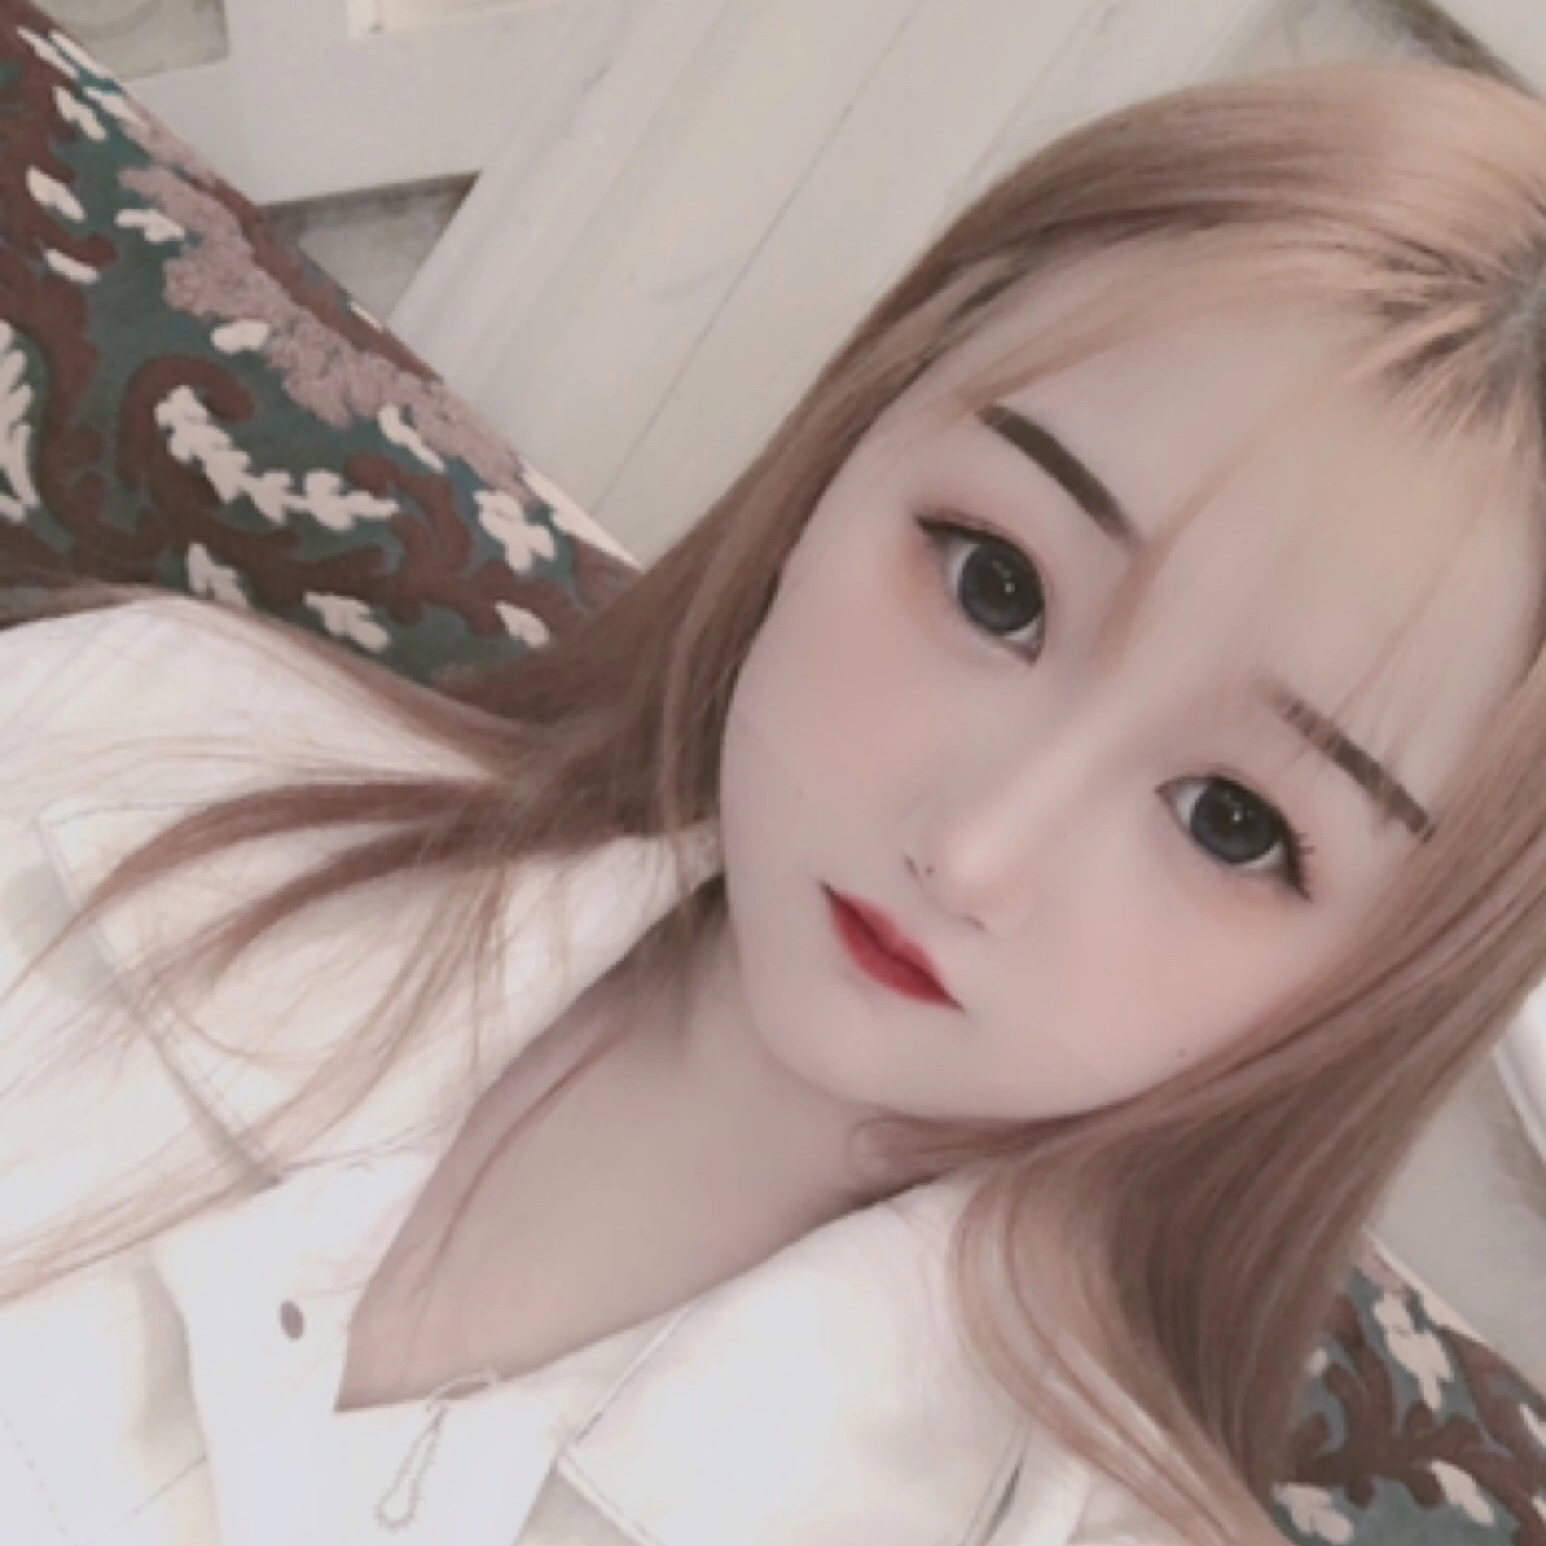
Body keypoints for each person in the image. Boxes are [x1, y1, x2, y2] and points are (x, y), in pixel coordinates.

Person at [3, 55, 1546, 1546]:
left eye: (1231, 823)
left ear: (1395, 967)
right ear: (850, 441)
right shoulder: (134, 740)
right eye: (995, 584)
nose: (976, 852)